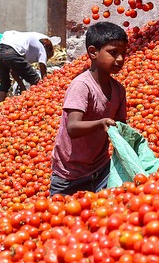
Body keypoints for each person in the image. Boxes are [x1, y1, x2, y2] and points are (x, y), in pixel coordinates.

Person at [50, 21, 128, 196]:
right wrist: (101, 123)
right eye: (113, 53)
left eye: (123, 53)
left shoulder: (119, 90)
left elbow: (121, 125)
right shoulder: (82, 86)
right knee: (61, 219)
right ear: (93, 52)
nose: (120, 59)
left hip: (101, 169)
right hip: (70, 174)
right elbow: (73, 127)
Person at [0, 30, 58, 103]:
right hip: (10, 52)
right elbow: (43, 74)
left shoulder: (24, 44)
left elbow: (13, 71)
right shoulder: (41, 48)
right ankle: (41, 102)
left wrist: (23, 88)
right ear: (47, 50)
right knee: (35, 79)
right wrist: (47, 90)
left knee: (4, 82)